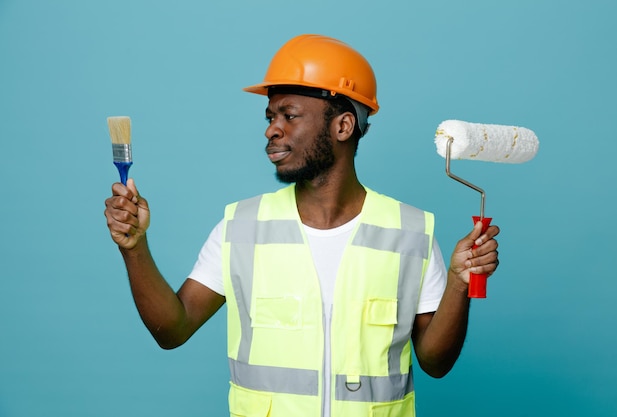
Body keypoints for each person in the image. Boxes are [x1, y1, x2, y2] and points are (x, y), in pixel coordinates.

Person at [104, 34, 500, 417]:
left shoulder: (411, 232)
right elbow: (171, 329)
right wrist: (134, 247)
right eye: (270, 116)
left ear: (343, 126)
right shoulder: (240, 227)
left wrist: (459, 284)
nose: (271, 129)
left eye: (289, 116)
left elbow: (435, 361)